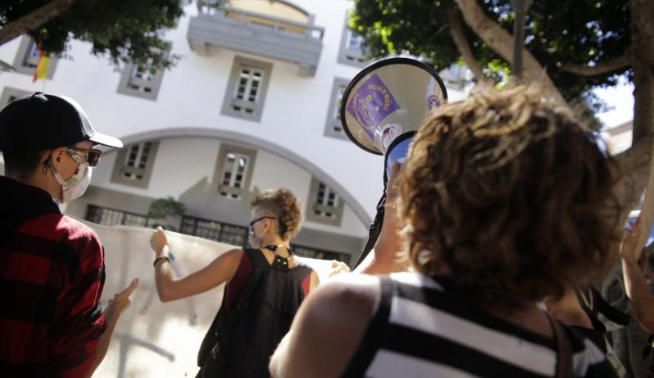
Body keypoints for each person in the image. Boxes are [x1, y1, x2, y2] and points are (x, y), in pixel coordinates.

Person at [270, 86, 620, 377]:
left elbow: (281, 367)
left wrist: (382, 257)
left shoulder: (349, 309)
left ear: (427, 199)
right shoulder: (584, 363)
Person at [0, 92, 139, 377]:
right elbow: (74, 368)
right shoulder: (73, 244)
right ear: (58, 157)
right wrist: (110, 317)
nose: (86, 167)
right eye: (87, 156)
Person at [150, 188, 319, 377]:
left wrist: (161, 250)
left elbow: (168, 290)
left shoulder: (239, 260)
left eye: (252, 224)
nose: (250, 231)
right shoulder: (310, 279)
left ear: (265, 224)